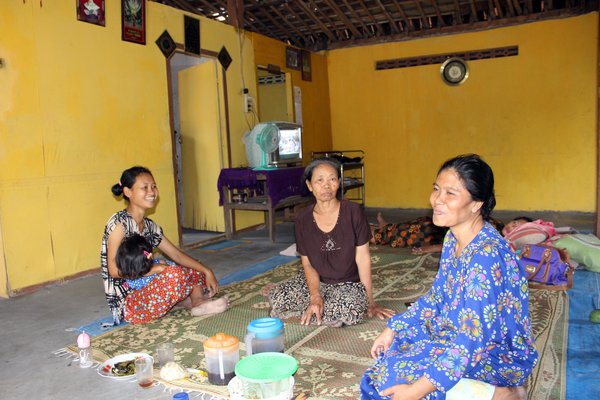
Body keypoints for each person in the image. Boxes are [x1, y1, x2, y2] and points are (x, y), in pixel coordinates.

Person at [361, 154, 538, 400]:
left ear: (476, 204)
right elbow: (438, 297)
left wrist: (415, 391)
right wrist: (393, 327)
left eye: (450, 194)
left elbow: (472, 341)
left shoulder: (486, 257)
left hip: (495, 352)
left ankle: (501, 393)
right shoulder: (453, 237)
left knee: (396, 388)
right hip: (459, 329)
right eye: (436, 189)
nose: (436, 200)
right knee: (390, 359)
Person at [265, 158, 395, 327]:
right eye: (319, 180)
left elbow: (363, 259)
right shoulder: (302, 218)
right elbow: (308, 264)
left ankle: (313, 312)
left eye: (332, 179)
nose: (326, 185)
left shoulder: (353, 212)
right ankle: (318, 309)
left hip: (348, 285)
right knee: (279, 297)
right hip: (317, 282)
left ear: (338, 183)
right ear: (310, 185)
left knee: (352, 309)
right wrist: (315, 295)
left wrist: (370, 302)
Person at [101, 166, 228, 325]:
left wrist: (206, 270)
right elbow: (114, 271)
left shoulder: (149, 226)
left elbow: (177, 255)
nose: (152, 192)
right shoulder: (119, 224)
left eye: (154, 186)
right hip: (129, 302)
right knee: (173, 274)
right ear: (127, 192)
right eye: (144, 187)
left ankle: (197, 302)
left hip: (149, 287)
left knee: (193, 266)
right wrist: (156, 269)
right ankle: (187, 300)